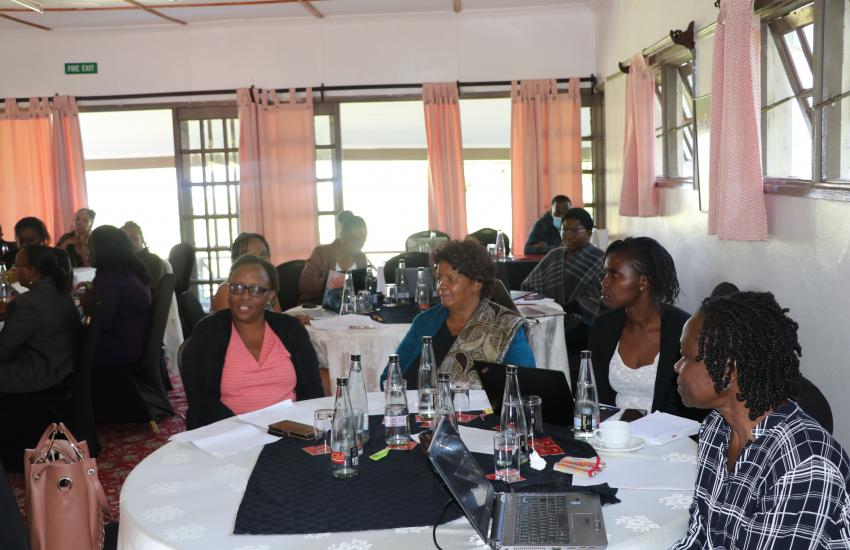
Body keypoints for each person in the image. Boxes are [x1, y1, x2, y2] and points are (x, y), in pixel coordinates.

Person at [672, 291, 850, 548]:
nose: (677, 366)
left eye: (686, 357)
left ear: (728, 369)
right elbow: (700, 536)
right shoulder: (716, 428)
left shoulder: (804, 464)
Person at [182, 255, 324, 429]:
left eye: (256, 290)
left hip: (290, 431)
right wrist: (247, 431)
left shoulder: (290, 330)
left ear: (270, 296)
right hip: (228, 434)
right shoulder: (208, 332)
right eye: (237, 288)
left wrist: (300, 429)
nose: (244, 296)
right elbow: (202, 402)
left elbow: (312, 391)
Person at [384, 240, 536, 389]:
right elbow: (389, 376)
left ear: (476, 283)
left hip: (477, 413)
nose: (441, 286)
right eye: (439, 278)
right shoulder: (425, 322)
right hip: (413, 409)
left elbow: (522, 385)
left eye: (450, 279)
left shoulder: (504, 326)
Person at [590, 237, 703, 419]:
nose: (604, 282)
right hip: (614, 432)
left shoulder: (682, 330)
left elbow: (686, 402)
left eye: (614, 275)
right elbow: (598, 394)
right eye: (605, 274)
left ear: (643, 282)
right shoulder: (604, 327)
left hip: (669, 433)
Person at [0, 245, 81, 470]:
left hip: (41, 372)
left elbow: (4, 349)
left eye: (17, 266)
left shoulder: (29, 303)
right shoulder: (60, 291)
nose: (14, 271)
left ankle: (8, 454)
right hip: (61, 365)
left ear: (33, 271)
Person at [521, 208, 604, 384]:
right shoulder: (554, 254)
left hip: (581, 324)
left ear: (588, 233)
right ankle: (537, 380)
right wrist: (547, 304)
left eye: (575, 231)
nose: (568, 235)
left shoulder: (599, 259)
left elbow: (602, 300)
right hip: (548, 316)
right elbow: (529, 284)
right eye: (564, 230)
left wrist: (575, 305)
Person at [81, 225, 151, 371]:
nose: (86, 253)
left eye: (90, 248)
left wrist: (87, 306)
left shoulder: (110, 279)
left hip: (118, 349)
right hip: (135, 343)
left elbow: (100, 324)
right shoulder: (130, 273)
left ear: (104, 250)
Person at [298, 211, 369, 304]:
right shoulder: (321, 253)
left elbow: (363, 288)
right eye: (354, 240)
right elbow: (305, 284)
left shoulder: (361, 258)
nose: (359, 245)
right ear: (343, 235)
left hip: (350, 308)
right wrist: (339, 282)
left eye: (362, 240)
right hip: (317, 306)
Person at [210, 232, 280, 312]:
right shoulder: (227, 291)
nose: (260, 261)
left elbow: (280, 322)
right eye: (252, 257)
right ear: (236, 261)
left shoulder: (268, 288)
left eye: (263, 255)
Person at [121, 221, 170, 288]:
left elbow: (149, 286)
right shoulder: (120, 263)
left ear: (142, 240)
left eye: (134, 239)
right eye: (126, 240)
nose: (131, 243)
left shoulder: (154, 261)